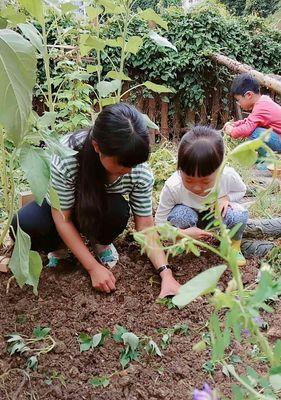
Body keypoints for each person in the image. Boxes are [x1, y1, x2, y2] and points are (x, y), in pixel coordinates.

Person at [11, 103, 180, 297]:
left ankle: (101, 243)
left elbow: (145, 227)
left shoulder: (138, 171)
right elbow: (62, 218)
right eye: (122, 164)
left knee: (117, 210)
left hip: (98, 210)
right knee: (23, 223)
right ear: (97, 146)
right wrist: (93, 268)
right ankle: (60, 248)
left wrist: (166, 273)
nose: (128, 171)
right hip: (63, 211)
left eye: (133, 164)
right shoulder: (67, 156)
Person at [155, 126, 248, 266]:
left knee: (239, 213)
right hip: (188, 222)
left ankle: (233, 246)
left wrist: (225, 198)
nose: (197, 187)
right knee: (180, 214)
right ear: (179, 169)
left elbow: (241, 191)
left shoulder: (227, 176)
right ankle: (183, 243)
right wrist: (181, 233)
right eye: (189, 180)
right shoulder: (173, 186)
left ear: (220, 169)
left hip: (216, 219)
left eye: (205, 181)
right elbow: (160, 224)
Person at [224, 73, 281, 155]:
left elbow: (247, 129)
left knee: (254, 132)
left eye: (238, 100)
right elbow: (248, 121)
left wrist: (231, 131)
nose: (239, 104)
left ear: (249, 95)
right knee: (254, 128)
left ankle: (268, 159)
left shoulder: (261, 107)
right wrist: (234, 124)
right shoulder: (263, 101)